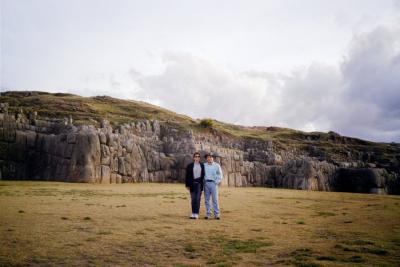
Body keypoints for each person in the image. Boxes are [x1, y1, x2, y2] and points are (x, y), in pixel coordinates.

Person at [185, 152, 205, 219]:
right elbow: (187, 176)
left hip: (199, 184)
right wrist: (187, 185)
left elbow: (203, 176)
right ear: (193, 158)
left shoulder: (202, 165)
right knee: (193, 199)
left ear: (199, 158)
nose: (197, 158)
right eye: (196, 156)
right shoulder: (190, 166)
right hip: (192, 184)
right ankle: (193, 213)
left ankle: (196, 213)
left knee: (197, 199)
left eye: (198, 156)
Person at [203, 152, 223, 219]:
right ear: (206, 158)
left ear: (213, 158)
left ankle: (217, 214)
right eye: (208, 157)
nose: (209, 158)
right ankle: (208, 214)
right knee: (207, 200)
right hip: (206, 183)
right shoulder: (204, 165)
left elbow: (220, 175)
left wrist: (216, 182)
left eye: (211, 157)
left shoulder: (217, 165)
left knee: (215, 199)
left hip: (213, 184)